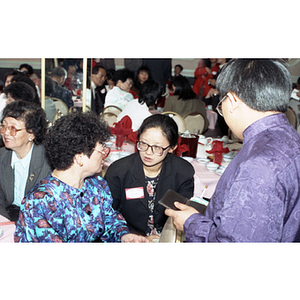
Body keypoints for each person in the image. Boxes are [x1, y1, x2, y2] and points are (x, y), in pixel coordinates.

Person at [165, 59, 300, 242]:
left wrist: (191, 223)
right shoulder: (290, 137)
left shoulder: (260, 165)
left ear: (233, 99)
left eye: (223, 102)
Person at [14, 111, 148, 243]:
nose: (104, 155)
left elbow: (110, 219)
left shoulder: (96, 184)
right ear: (79, 157)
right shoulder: (40, 202)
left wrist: (124, 236)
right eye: (101, 150)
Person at [105, 114, 195, 241]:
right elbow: (108, 214)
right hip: (130, 237)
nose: (148, 152)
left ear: (172, 147)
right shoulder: (118, 171)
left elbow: (183, 215)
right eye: (143, 144)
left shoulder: (183, 172)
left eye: (157, 147)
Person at [0, 100, 52, 222]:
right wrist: (6, 223)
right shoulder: (2, 156)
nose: (6, 133)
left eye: (13, 128)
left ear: (31, 134)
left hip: (37, 221)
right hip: (8, 217)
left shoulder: (48, 161)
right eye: (3, 126)